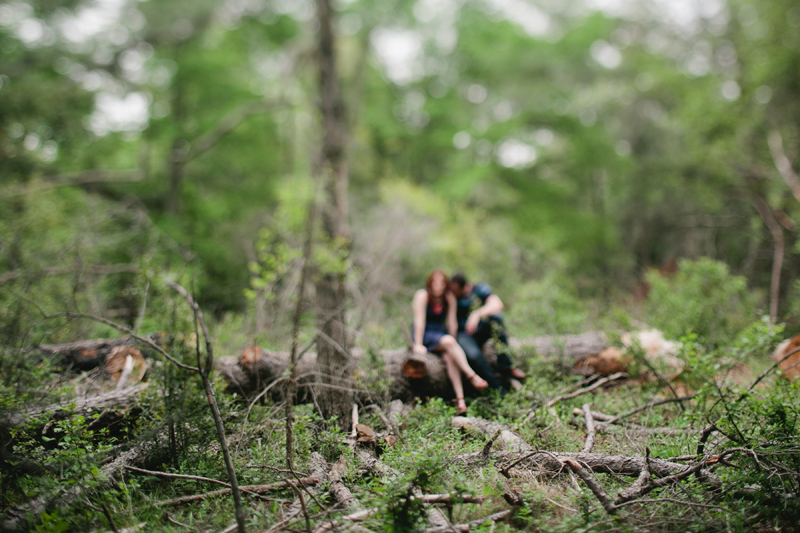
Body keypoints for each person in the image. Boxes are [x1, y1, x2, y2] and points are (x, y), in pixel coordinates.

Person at [412, 270, 488, 414]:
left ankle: (460, 401)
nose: (438, 286)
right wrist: (418, 343)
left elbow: (452, 323)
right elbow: (419, 321)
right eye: (435, 282)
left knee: (450, 358)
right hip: (426, 334)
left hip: (441, 335)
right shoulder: (423, 295)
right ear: (430, 282)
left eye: (441, 283)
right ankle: (472, 376)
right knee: (448, 341)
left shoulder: (448, 298)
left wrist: (453, 343)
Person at [450, 273, 525, 393]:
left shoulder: (479, 289)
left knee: (497, 317)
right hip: (463, 335)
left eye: (455, 289)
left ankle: (505, 365)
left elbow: (497, 304)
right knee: (474, 356)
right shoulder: (451, 297)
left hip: (479, 329)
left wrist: (477, 314)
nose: (453, 292)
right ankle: (499, 390)